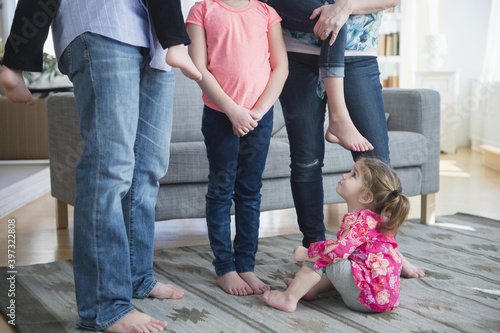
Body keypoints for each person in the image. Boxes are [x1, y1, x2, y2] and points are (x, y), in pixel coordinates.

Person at [31, 1, 204, 331]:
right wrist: (17, 58)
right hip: (101, 24)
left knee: (148, 167)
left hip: (157, 40)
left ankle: (137, 278)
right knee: (110, 168)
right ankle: (104, 306)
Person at [275, 0, 425, 279]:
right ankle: (314, 249)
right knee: (306, 161)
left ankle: (387, 248)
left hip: (358, 55)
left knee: (378, 161)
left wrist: (346, 6)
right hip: (298, 53)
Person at [186, 0, 288, 296]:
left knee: (249, 190)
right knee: (221, 190)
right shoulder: (201, 9)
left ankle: (246, 265)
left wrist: (257, 111)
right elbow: (199, 68)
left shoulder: (266, 13)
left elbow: (280, 68)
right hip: (220, 116)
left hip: (260, 116)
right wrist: (233, 111)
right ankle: (225, 268)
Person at [264, 157, 409, 313]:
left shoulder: (360, 222)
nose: (345, 175)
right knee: (342, 257)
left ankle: (289, 298)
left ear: (366, 197)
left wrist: (307, 253)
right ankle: (312, 289)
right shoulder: (375, 221)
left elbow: (336, 252)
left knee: (325, 254)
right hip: (385, 300)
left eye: (354, 175)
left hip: (365, 300)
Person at [0, 0, 201, 106]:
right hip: (105, 24)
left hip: (149, 42)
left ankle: (14, 66)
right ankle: (176, 44)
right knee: (113, 165)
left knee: (147, 166)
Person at [261, 0, 373, 152]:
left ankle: (338, 119)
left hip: (358, 53)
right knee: (332, 22)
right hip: (291, 40)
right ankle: (339, 118)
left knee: (334, 20)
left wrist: (346, 6)